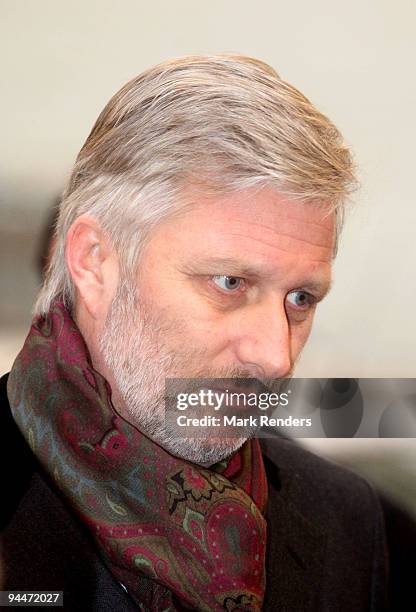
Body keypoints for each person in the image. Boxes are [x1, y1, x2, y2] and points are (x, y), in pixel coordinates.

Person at [1, 55, 389, 611]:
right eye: (230, 282)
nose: (275, 357)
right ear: (95, 262)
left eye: (300, 299)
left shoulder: (342, 518)